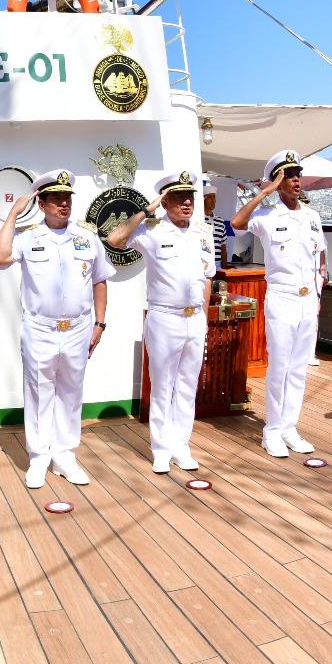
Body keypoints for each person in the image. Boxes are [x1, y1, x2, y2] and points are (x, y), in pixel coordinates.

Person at [0, 169, 113, 489]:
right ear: (42, 204)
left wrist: (99, 323)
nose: (63, 204)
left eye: (67, 199)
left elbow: (99, 279)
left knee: (71, 392)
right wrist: (14, 215)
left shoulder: (87, 236)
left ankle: (64, 454)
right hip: (40, 328)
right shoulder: (28, 236)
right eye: (56, 199)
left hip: (78, 328)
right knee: (38, 391)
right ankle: (38, 456)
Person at [108, 169, 216, 473]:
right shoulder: (152, 231)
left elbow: (207, 278)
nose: (186, 203)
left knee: (187, 385)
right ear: (165, 202)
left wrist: (205, 318)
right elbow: (115, 238)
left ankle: (181, 444)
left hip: (194, 319)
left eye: (190, 197)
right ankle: (160, 448)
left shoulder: (202, 234)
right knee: (163, 385)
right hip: (164, 318)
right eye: (179, 197)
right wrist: (146, 211)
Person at [230, 151, 327, 458]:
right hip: (282, 298)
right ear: (277, 180)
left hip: (307, 299)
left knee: (298, 369)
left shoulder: (312, 217)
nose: (296, 180)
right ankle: (272, 431)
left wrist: (318, 294)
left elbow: (320, 258)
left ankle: (290, 428)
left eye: (298, 174)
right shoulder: (267, 216)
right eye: (289, 175)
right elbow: (236, 223)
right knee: (279, 368)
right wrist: (266, 193)